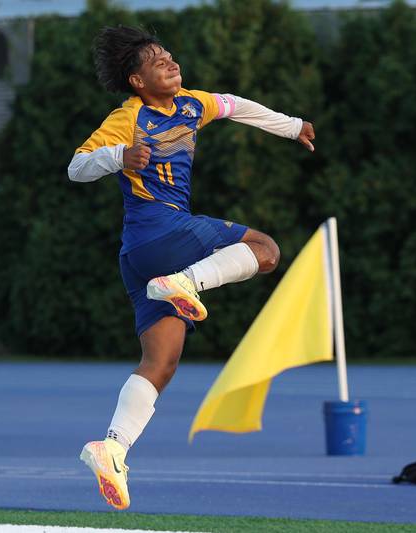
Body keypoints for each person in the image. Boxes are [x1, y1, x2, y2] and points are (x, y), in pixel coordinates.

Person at [68, 25, 315, 510]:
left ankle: (112, 447)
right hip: (160, 234)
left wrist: (289, 125)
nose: (171, 63)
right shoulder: (127, 117)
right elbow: (77, 167)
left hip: (138, 256)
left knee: (161, 362)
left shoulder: (192, 103)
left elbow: (237, 105)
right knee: (266, 249)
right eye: (157, 61)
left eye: (170, 56)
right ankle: (184, 283)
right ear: (137, 81)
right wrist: (118, 156)